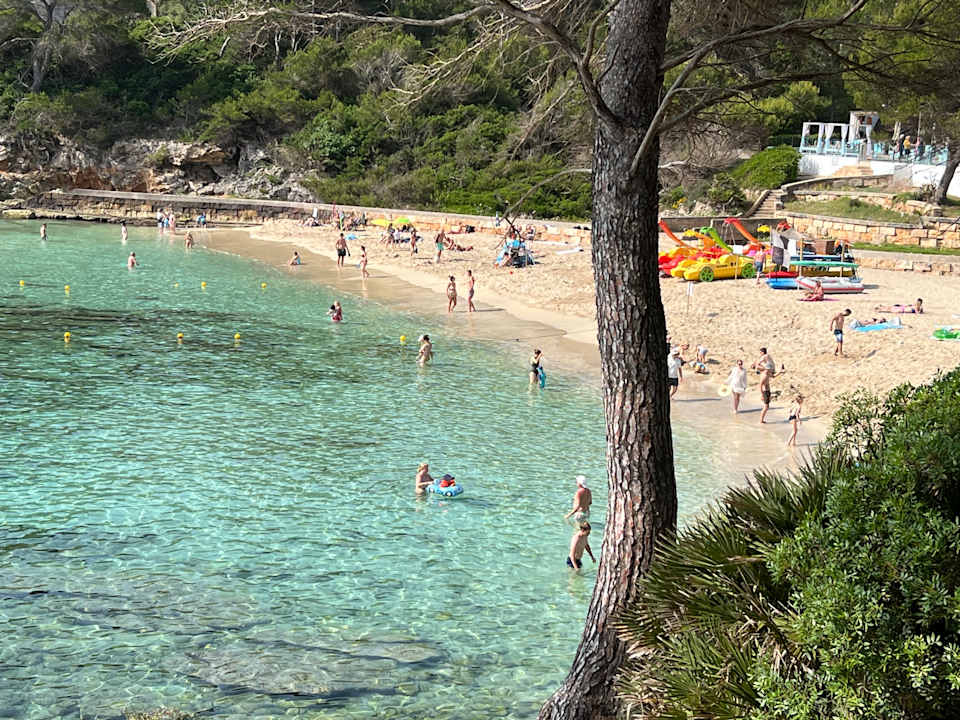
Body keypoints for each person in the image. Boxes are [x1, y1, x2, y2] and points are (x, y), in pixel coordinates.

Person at [751, 348, 777, 423]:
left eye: (760, 352)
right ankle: (761, 420)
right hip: (765, 392)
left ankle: (761, 420)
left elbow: (773, 376)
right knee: (766, 407)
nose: (760, 354)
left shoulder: (765, 356)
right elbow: (760, 385)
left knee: (766, 407)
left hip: (767, 391)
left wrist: (781, 372)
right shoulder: (764, 375)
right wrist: (762, 395)